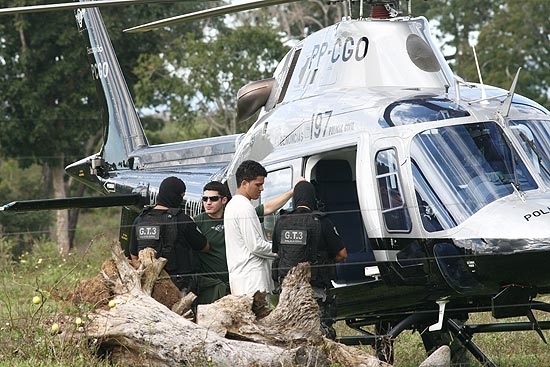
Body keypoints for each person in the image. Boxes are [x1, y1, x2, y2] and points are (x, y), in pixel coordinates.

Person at [194, 179, 297, 304]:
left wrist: (293, 191)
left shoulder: (236, 213)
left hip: (240, 282)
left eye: (213, 199)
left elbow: (268, 207)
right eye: (205, 199)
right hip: (213, 288)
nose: (208, 203)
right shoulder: (197, 223)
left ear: (224, 200)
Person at [272, 180, 347, 339]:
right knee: (319, 334)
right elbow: (342, 254)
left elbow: (278, 252)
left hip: (286, 290)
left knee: (290, 334)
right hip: (315, 289)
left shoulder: (281, 221)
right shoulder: (322, 221)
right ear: (313, 198)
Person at [129, 176, 209, 292]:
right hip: (178, 287)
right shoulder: (182, 219)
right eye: (181, 196)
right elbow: (204, 247)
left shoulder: (140, 220)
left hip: (146, 287)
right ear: (176, 196)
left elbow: (134, 256)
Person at [224, 160, 290, 297]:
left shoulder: (233, 205)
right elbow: (256, 245)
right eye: (258, 184)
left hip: (242, 279)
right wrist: (283, 250)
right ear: (244, 183)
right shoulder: (244, 207)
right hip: (252, 281)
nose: (261, 189)